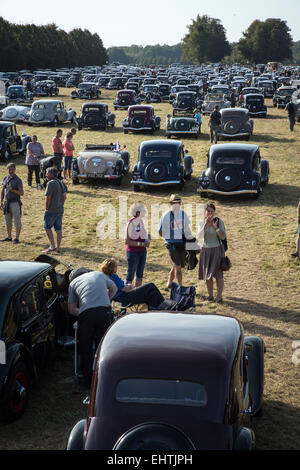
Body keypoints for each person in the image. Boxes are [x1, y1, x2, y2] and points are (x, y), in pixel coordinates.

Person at [68, 267, 117, 386]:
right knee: (104, 346)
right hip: (105, 312)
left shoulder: (73, 283)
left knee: (86, 347)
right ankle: (105, 378)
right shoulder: (98, 274)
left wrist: (84, 311)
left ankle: (88, 381)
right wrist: (105, 300)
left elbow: (71, 309)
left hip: (87, 315)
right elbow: (114, 288)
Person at [100, 258, 166, 309]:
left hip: (117, 299)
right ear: (113, 268)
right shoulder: (113, 276)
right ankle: (164, 305)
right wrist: (131, 286)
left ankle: (155, 308)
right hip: (124, 298)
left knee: (151, 293)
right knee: (151, 286)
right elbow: (126, 289)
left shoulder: (104, 276)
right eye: (116, 267)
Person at [158, 194, 193, 289]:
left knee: (177, 265)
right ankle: (180, 287)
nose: (176, 204)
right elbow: (160, 231)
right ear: (171, 204)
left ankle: (169, 284)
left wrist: (190, 238)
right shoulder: (166, 216)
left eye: (178, 202)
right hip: (171, 244)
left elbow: (187, 229)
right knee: (177, 266)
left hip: (181, 243)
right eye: (174, 203)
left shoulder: (183, 214)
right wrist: (168, 238)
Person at [198, 202, 226, 303]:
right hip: (206, 250)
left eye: (211, 211)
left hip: (217, 250)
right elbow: (199, 237)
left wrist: (215, 227)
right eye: (208, 211)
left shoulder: (219, 222)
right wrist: (206, 225)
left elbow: (223, 237)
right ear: (204, 212)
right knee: (207, 275)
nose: (209, 213)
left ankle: (219, 296)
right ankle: (210, 295)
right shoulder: (201, 223)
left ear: (214, 212)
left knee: (218, 275)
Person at [125, 203, 150, 287]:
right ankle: (126, 296)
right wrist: (142, 244)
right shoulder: (130, 223)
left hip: (142, 251)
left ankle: (137, 294)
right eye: (143, 211)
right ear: (138, 212)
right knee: (131, 274)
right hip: (133, 253)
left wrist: (147, 237)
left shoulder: (140, 221)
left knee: (140, 274)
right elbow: (127, 241)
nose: (145, 212)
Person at [43, 167, 67, 254]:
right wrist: (60, 204)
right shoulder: (60, 183)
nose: (46, 174)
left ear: (52, 174)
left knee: (47, 227)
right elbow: (64, 196)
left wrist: (47, 208)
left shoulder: (50, 183)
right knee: (58, 228)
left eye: (47, 173)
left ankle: (52, 246)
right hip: (60, 209)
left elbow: (48, 197)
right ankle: (58, 247)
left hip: (51, 210)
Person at [0, 163, 24, 244]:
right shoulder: (5, 178)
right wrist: (1, 201)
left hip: (15, 202)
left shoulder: (18, 180)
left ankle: (17, 238)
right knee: (7, 221)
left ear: (15, 169)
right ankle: (9, 237)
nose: (11, 171)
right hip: (7, 202)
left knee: (17, 221)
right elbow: (3, 190)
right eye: (9, 169)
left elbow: (21, 193)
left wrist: (12, 190)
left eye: (12, 169)